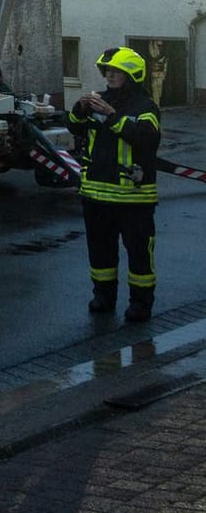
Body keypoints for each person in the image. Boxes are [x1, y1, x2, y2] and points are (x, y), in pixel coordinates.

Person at [69, 45, 161, 322]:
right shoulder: (99, 100)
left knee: (139, 256)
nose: (108, 74)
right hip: (97, 194)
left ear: (131, 74)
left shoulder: (146, 107)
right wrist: (80, 108)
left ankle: (141, 304)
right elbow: (74, 126)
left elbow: (147, 139)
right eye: (106, 70)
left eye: (115, 71)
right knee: (100, 252)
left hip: (134, 198)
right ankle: (103, 296)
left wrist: (111, 116)